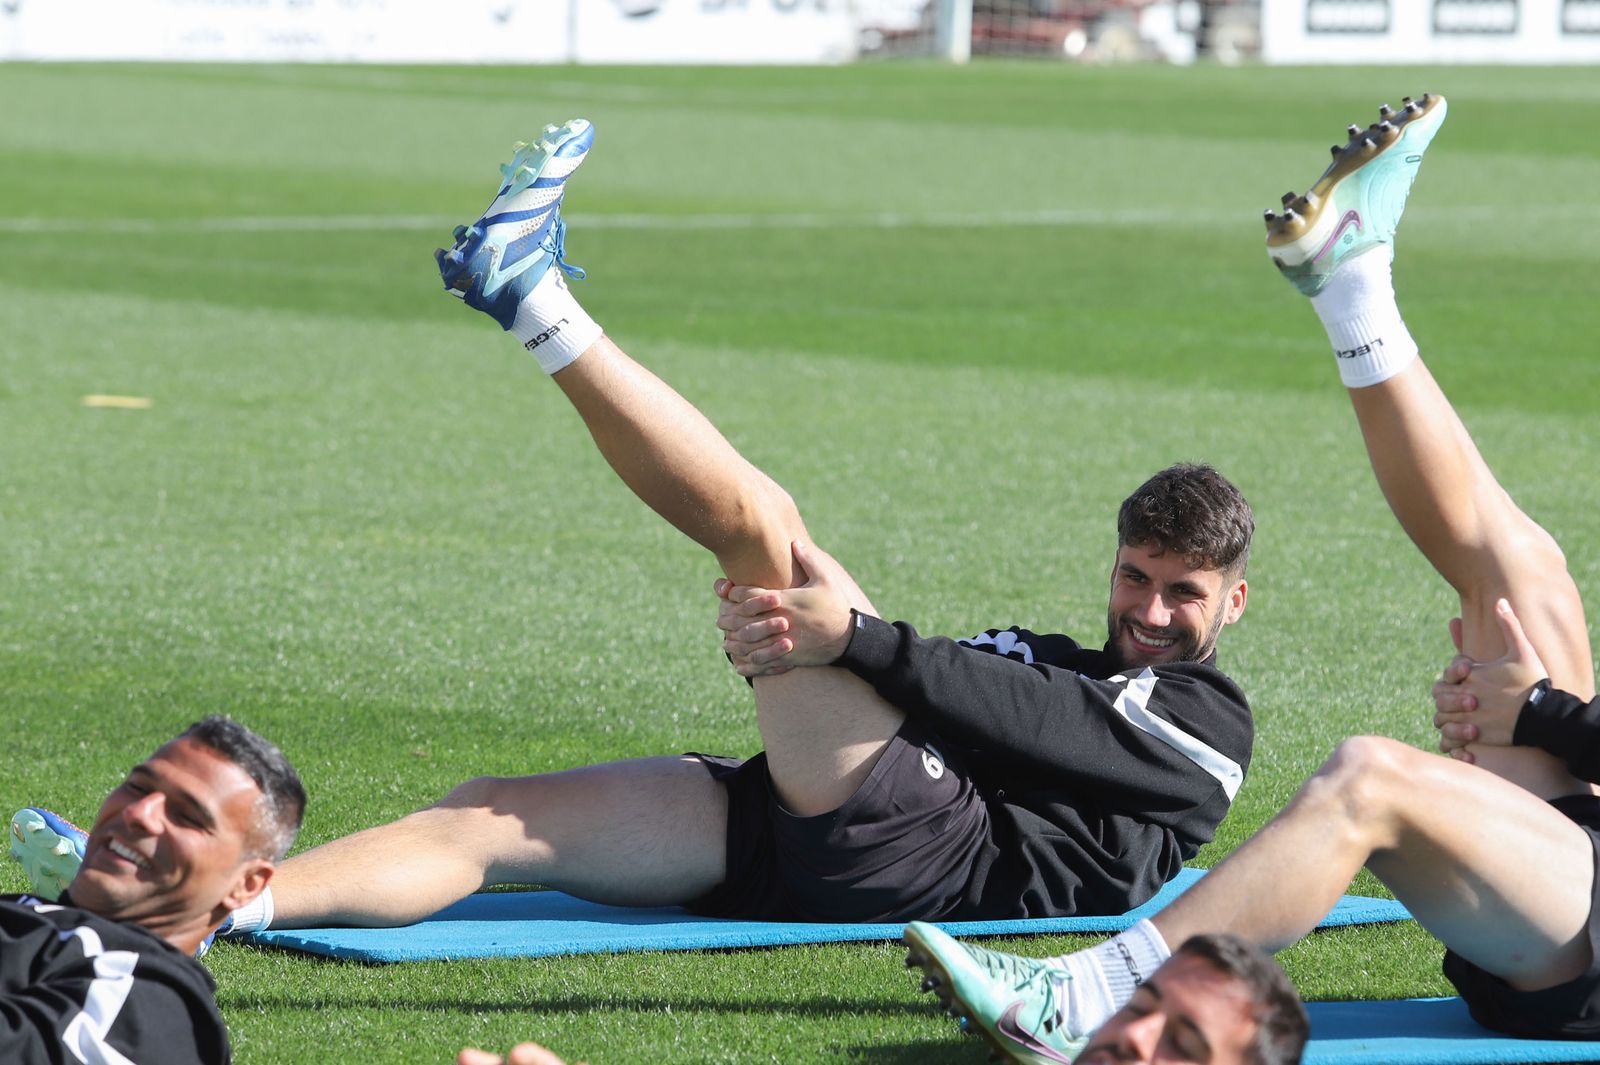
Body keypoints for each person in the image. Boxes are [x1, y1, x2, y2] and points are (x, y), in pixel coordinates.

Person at [201, 117, 1256, 938]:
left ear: (1233, 601)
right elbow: (983, 696)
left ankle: (528, 295)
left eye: (1183, 592)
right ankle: (203, 913)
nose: (1151, 610)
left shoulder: (1208, 725)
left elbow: (1038, 724)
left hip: (936, 859)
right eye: (1136, 577)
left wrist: (848, 643)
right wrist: (839, 654)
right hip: (800, 838)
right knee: (486, 814)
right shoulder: (1069, 660)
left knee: (766, 536)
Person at [893, 92, 1600, 1063]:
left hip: (1580, 950)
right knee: (1521, 572)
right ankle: (1352, 282)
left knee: (1372, 779)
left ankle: (1086, 996)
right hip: (1577, 859)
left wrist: (1542, 719)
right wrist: (1541, 716)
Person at [2, 717, 305, 1065]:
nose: (139, 813)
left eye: (187, 816)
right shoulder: (56, 934)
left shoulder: (136, 1006)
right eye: (138, 787)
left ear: (244, 885)